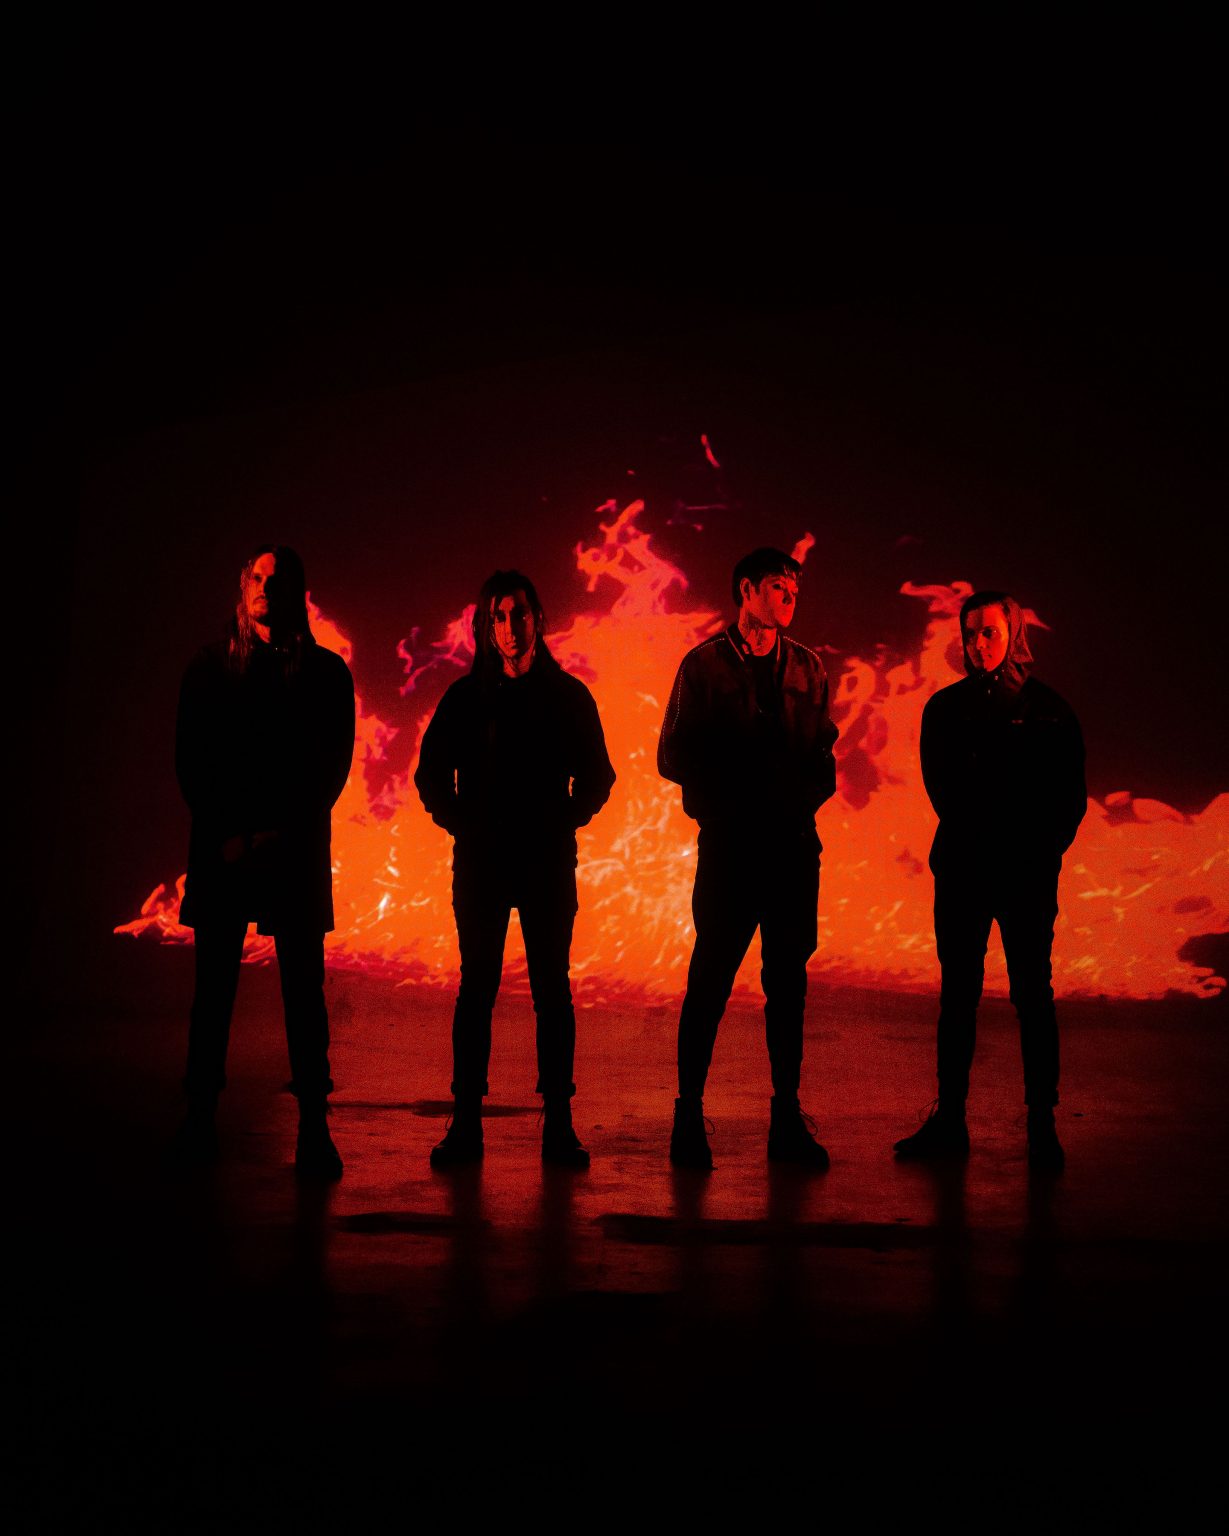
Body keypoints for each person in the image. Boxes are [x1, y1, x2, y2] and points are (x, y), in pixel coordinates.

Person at [415, 570, 615, 1170]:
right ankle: (466, 1124)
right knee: (477, 987)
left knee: (551, 989)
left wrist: (562, 821)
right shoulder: (465, 700)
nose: (510, 627)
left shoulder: (568, 698)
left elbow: (599, 776)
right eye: (499, 617)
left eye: (519, 614)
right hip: (482, 864)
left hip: (546, 864)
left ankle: (559, 1125)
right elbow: (430, 775)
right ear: (486, 625)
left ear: (539, 620)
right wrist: (464, 825)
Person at [172, 545, 355, 1178]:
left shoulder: (326, 675)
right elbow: (192, 762)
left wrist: (276, 834)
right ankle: (199, 1118)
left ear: (297, 592)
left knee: (304, 995)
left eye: (276, 580)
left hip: (290, 853)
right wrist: (234, 836)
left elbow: (330, 769)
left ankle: (313, 1128)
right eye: (256, 577)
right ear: (243, 585)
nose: (264, 588)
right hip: (227, 852)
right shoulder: (209, 669)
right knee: (213, 994)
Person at [894, 590, 1086, 1173]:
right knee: (958, 995)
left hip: (1025, 876)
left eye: (990, 632)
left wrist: (1037, 854)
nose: (979, 644)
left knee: (1032, 995)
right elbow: (942, 791)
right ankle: (950, 1120)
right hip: (964, 871)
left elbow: (1069, 799)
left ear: (1014, 633)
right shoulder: (944, 709)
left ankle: (1042, 1125)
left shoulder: (1050, 711)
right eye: (972, 633)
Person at [658, 547, 838, 1170]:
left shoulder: (808, 668)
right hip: (731, 851)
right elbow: (672, 756)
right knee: (710, 981)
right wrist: (730, 799)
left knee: (787, 987)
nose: (790, 597)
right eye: (778, 586)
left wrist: (799, 799)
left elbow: (824, 754)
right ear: (746, 590)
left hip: (791, 852)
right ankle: (688, 1115)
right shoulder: (704, 666)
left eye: (794, 589)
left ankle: (786, 1119)